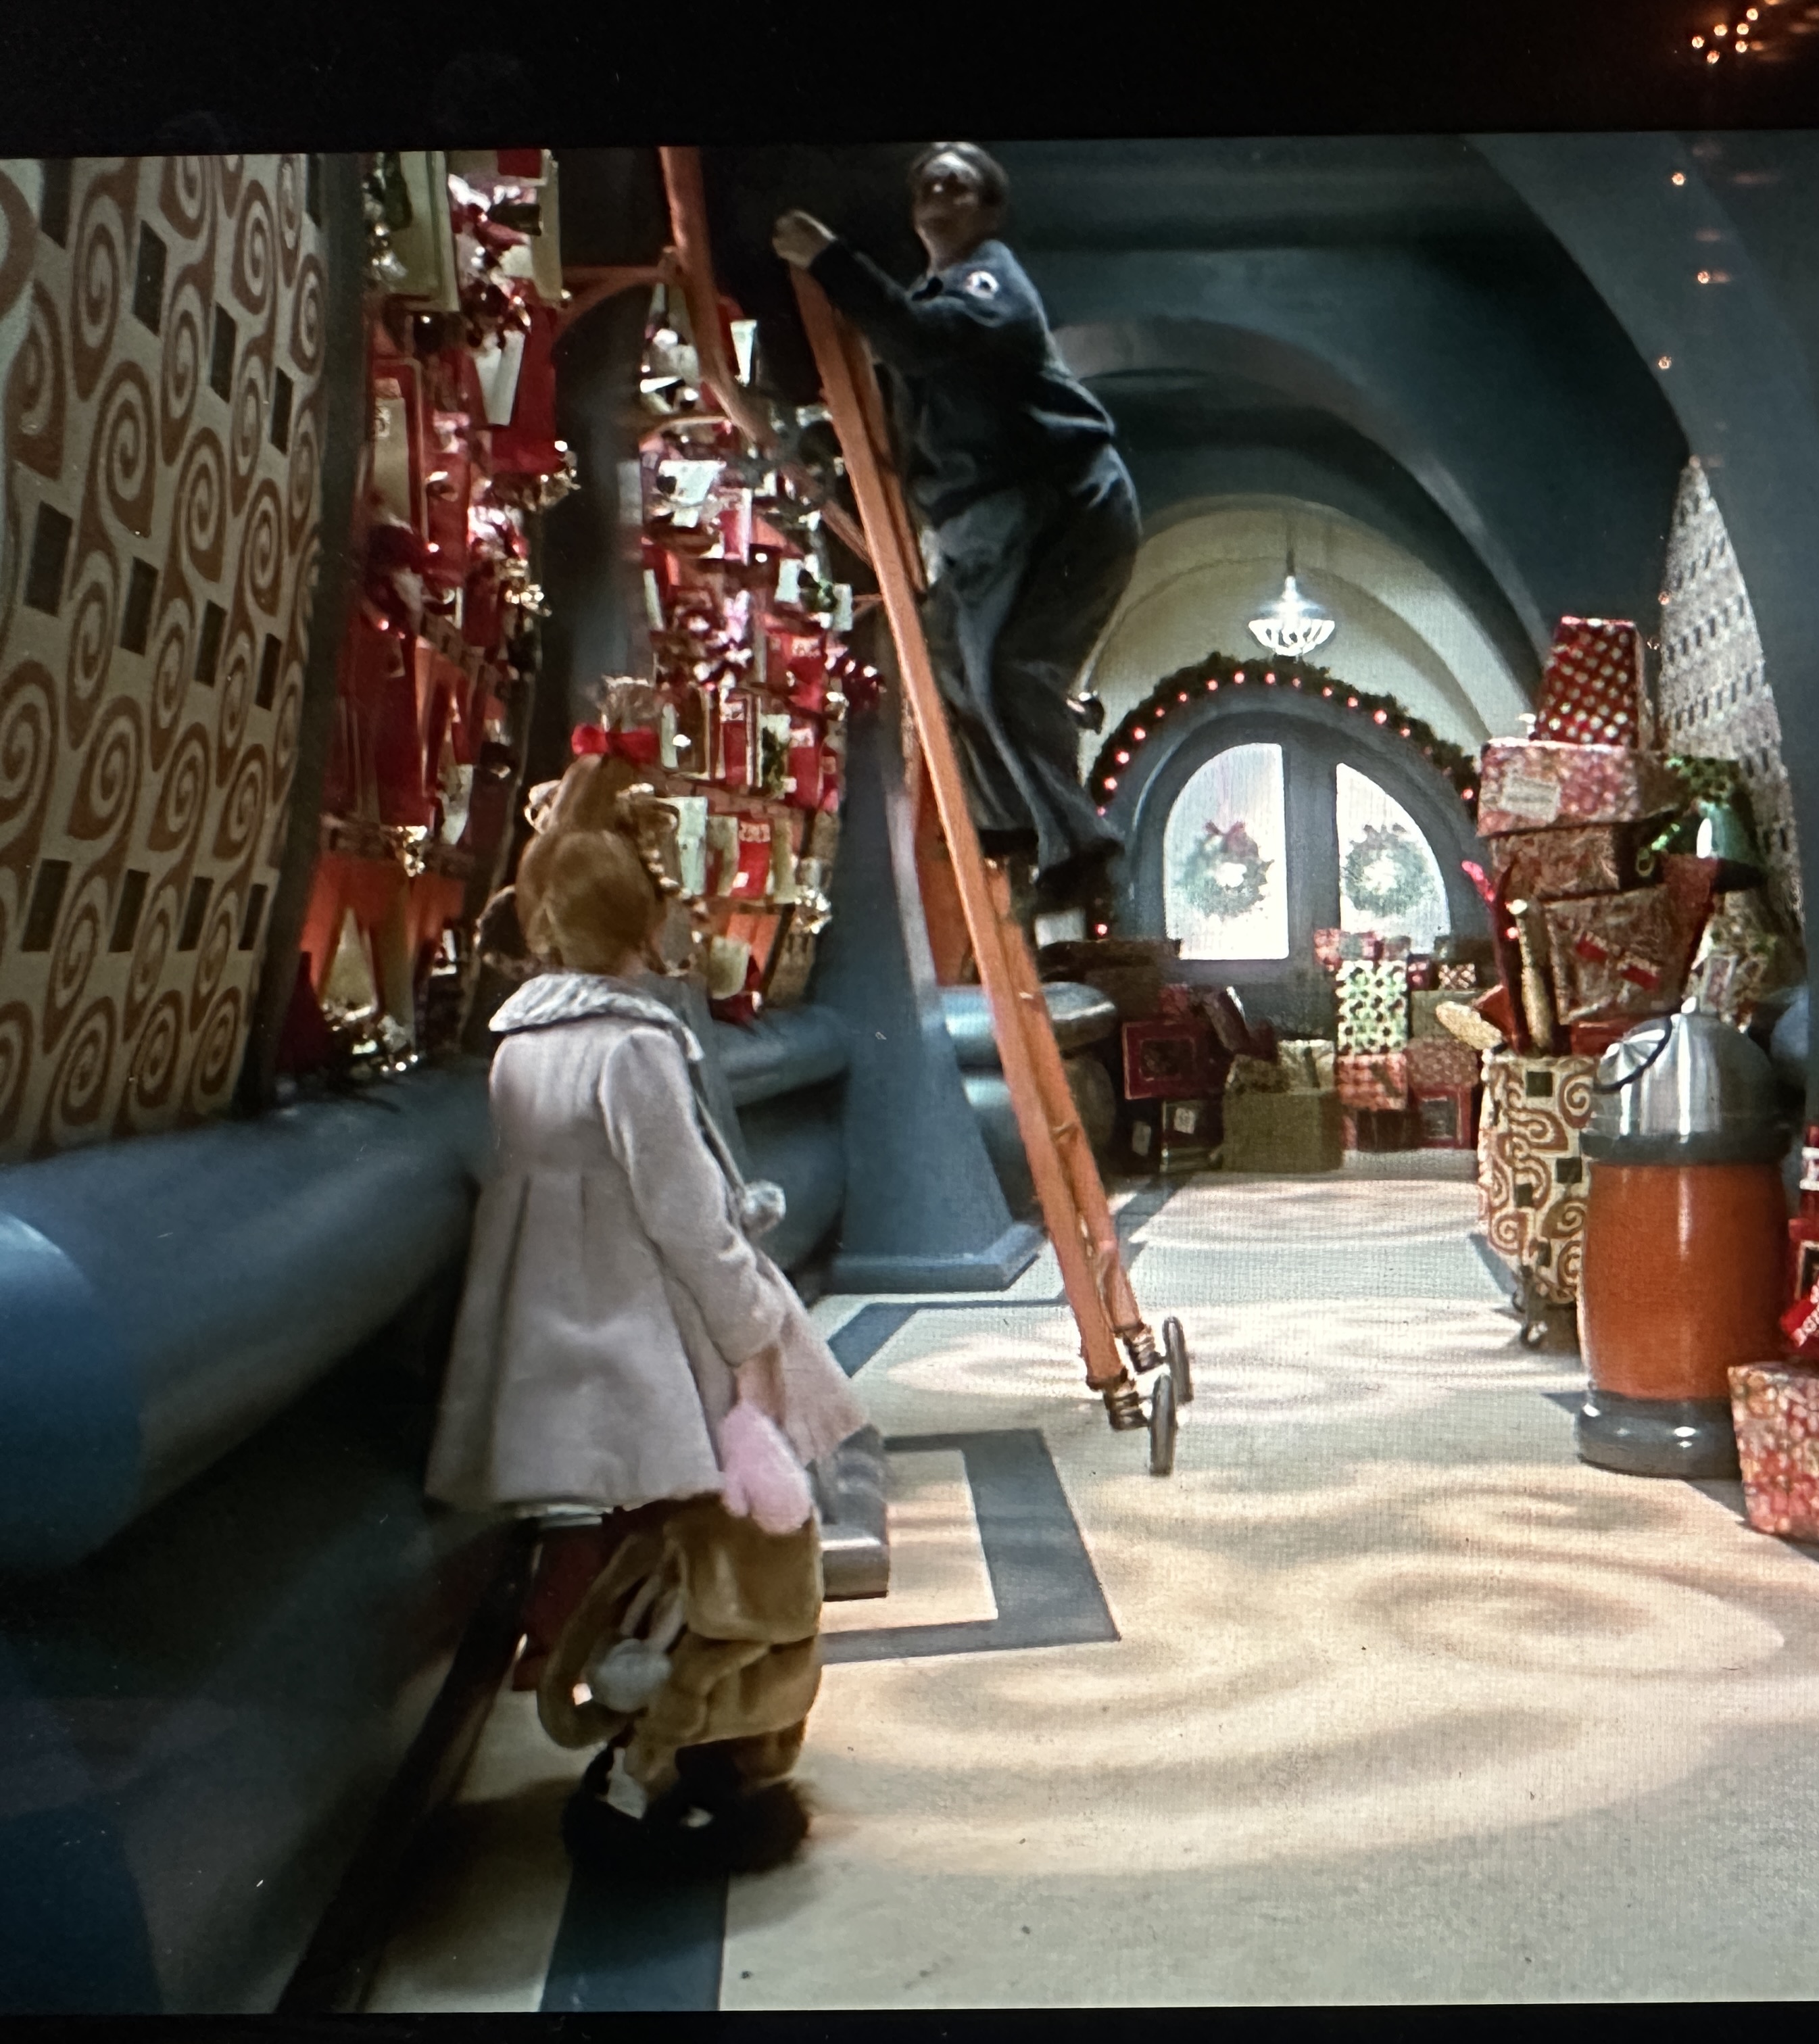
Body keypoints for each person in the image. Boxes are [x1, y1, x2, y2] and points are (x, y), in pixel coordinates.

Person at [425, 795, 869, 1874]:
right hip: (647, 1337)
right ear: (647, 923)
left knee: (621, 1551)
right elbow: (686, 1216)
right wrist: (750, 1320)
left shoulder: (518, 1045)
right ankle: (704, 1748)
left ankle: (634, 1741)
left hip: (552, 1339)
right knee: (710, 1548)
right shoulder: (635, 1049)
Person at [771, 142, 1136, 923]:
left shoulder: (990, 282)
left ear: (987, 211)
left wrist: (831, 261)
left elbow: (920, 340)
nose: (938, 195)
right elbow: (912, 397)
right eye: (927, 186)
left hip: (1052, 499)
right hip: (987, 515)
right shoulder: (929, 296)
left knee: (1006, 666)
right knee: (946, 659)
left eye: (957, 186)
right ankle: (1009, 825)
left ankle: (1079, 848)